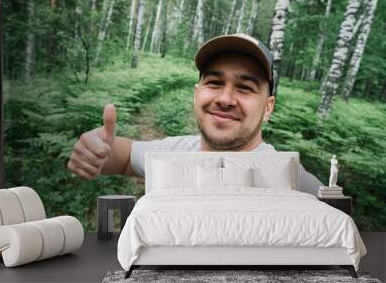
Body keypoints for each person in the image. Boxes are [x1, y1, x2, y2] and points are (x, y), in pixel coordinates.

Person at [67, 33, 323, 196]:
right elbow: (123, 156)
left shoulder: (291, 178)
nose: (224, 99)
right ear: (196, 94)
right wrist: (97, 150)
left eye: (245, 88)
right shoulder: (176, 151)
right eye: (214, 82)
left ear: (268, 108)